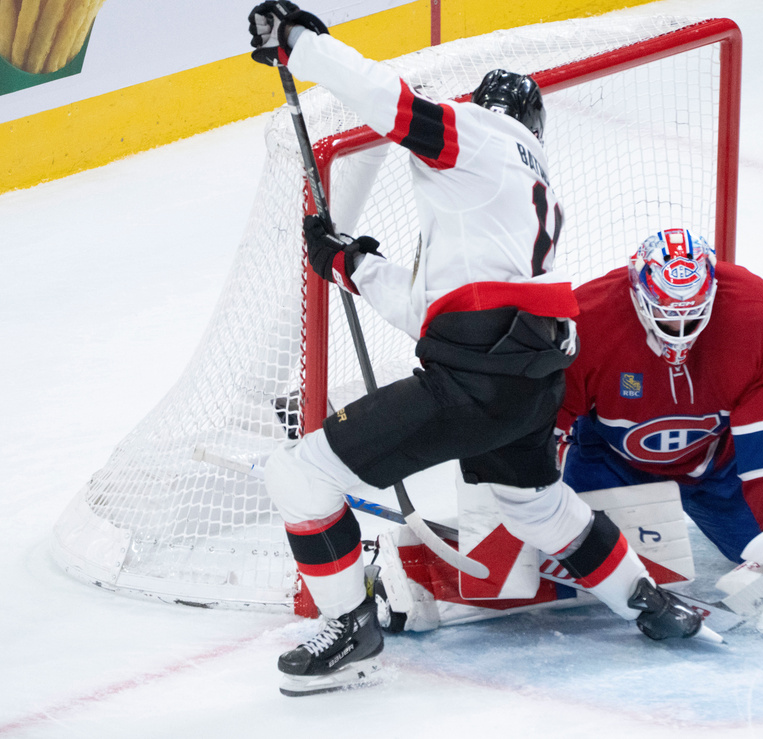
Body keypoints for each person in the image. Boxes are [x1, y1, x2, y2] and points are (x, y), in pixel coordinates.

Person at [247, 2, 711, 697]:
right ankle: (647, 601)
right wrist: (353, 264)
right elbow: (442, 304)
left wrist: (301, 44)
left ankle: (351, 629)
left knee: (299, 474)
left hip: (473, 379)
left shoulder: (477, 134)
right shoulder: (529, 191)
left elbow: (386, 100)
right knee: (532, 504)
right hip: (528, 378)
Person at [372, 227, 763, 647]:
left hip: (715, 462)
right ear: (638, 293)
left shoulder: (759, 314)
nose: (680, 332)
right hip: (613, 464)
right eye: (667, 316)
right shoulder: (587, 320)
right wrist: (529, 505)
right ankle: (425, 574)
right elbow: (542, 422)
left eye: (692, 316)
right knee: (582, 567)